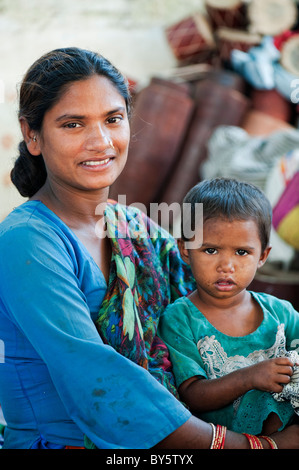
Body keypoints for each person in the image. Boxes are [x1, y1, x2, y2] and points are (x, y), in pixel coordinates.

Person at [0, 48, 298, 450]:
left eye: (113, 119)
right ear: (32, 135)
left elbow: (214, 308)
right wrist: (253, 446)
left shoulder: (136, 228)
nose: (100, 141)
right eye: (73, 124)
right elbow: (97, 378)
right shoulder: (28, 242)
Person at [158, 177, 299, 441]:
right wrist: (250, 377)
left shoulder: (281, 313)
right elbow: (193, 396)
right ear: (186, 250)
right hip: (232, 440)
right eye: (210, 250)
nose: (227, 265)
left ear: (262, 256)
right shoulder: (180, 319)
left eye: (242, 252)